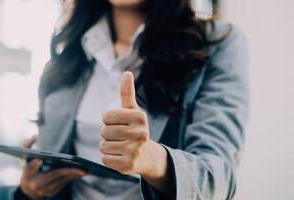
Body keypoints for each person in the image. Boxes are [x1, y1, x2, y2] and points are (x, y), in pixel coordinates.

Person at [14, 0, 249, 199]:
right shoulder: (64, 61)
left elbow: (218, 178)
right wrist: (29, 190)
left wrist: (153, 160)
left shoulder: (219, 45)